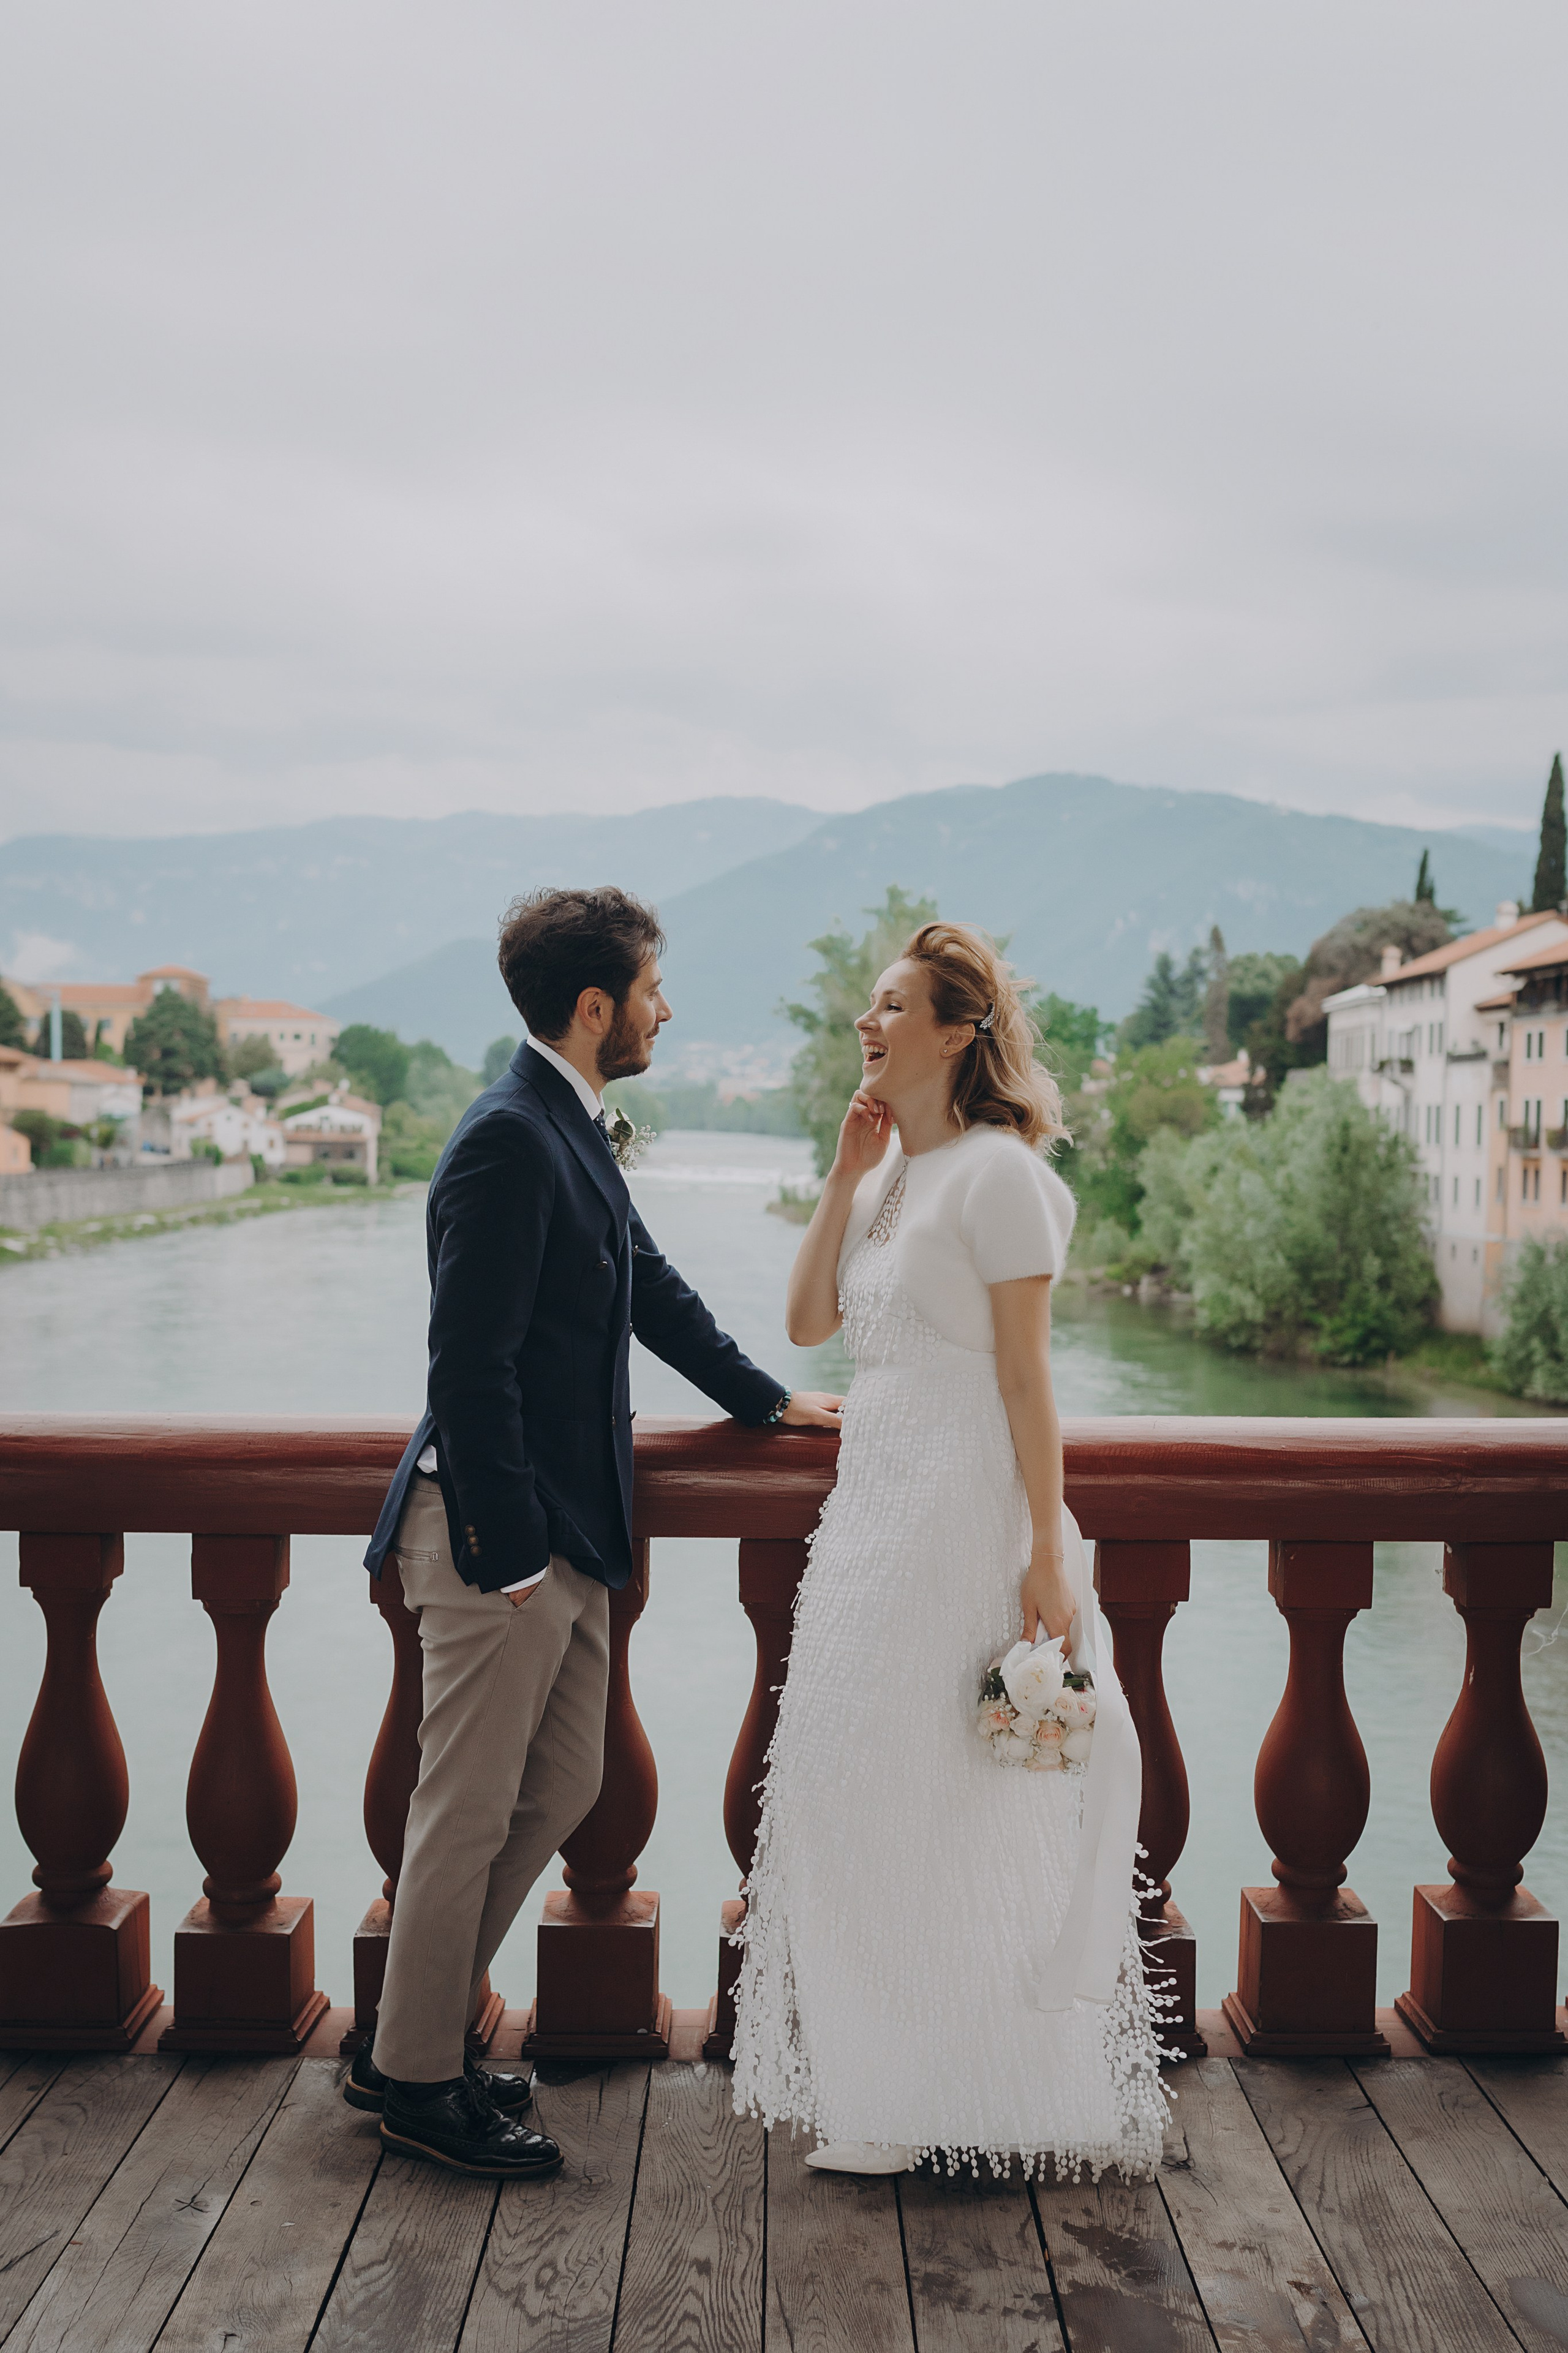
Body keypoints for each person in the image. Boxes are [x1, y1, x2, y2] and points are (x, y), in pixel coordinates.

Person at [350, 885, 842, 2178]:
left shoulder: (564, 1126)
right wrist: (507, 1552)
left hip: (566, 1534)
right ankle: (414, 2078)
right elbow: (469, 1364)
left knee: (563, 1782)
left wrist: (768, 1398)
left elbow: (650, 1290)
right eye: (651, 989)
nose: (664, 1009)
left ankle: (408, 2031)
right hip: (497, 1540)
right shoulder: (507, 1139)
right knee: (460, 1812)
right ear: (593, 1005)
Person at [730, 921, 1169, 2179]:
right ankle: (887, 2084)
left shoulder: (999, 1176)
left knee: (954, 1798)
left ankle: (984, 2091)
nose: (864, 1022)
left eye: (890, 1004)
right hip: (867, 1516)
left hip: (963, 1512)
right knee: (845, 1786)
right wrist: (835, 1176)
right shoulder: (884, 1179)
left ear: (956, 1030)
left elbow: (1030, 1387)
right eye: (862, 1004)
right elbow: (809, 1319)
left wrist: (1044, 1549)